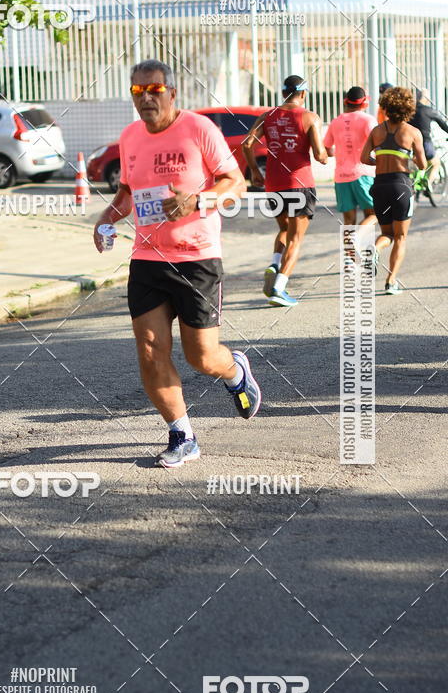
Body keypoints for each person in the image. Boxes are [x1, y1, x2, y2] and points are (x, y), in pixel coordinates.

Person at [92, 59, 261, 469]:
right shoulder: (130, 136)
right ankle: (182, 433)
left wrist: (196, 200)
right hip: (148, 257)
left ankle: (235, 370)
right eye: (137, 91)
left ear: (172, 92)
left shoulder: (199, 129)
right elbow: (127, 192)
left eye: (154, 89)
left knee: (201, 357)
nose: (146, 97)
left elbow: (235, 181)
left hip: (197, 257)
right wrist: (106, 219)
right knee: (150, 350)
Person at [242, 74, 328, 307]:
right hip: (300, 184)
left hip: (274, 184)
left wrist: (254, 171)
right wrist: (331, 152)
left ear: (282, 93)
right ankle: (279, 287)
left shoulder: (267, 116)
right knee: (296, 239)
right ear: (303, 93)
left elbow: (247, 144)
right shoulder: (310, 117)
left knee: (284, 229)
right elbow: (320, 155)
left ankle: (274, 262)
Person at [360, 87, 426, 295]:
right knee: (400, 237)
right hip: (401, 185)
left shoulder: (376, 131)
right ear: (408, 108)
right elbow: (423, 165)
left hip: (379, 185)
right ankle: (391, 281)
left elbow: (364, 159)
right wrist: (409, 158)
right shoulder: (413, 132)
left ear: (386, 107)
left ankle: (375, 249)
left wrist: (379, 160)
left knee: (386, 233)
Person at [324, 86, 377, 226]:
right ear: (365, 103)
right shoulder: (368, 120)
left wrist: (341, 153)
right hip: (363, 174)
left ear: (345, 101)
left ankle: (350, 248)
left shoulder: (335, 121)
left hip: (341, 177)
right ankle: (360, 240)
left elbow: (328, 149)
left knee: (348, 221)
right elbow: (378, 144)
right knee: (373, 214)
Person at [409, 87, 448, 191]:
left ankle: (417, 181)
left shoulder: (411, 111)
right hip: (425, 143)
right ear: (426, 98)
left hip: (411, 143)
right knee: (436, 163)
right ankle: (428, 184)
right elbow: (443, 124)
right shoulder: (429, 111)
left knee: (417, 163)